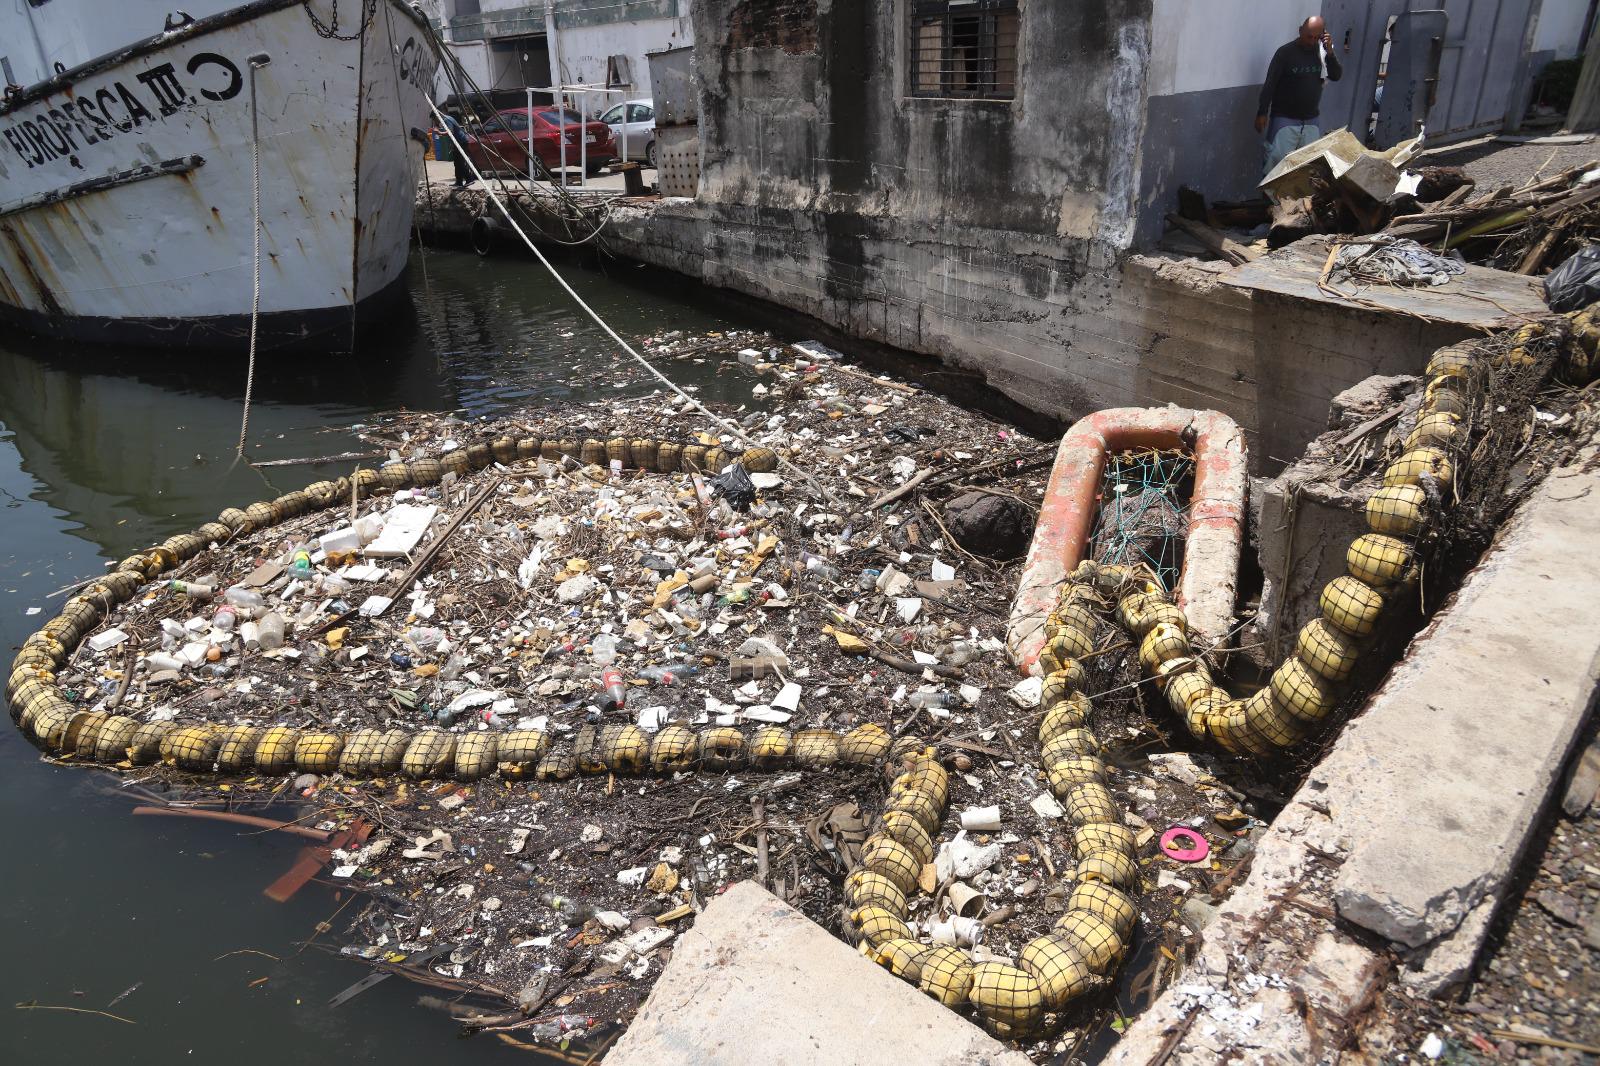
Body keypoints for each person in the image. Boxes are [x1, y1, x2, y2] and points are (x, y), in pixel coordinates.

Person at [1256, 16, 1343, 174]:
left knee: (1307, 169)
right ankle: (1270, 199)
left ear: (1323, 35)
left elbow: (1336, 76)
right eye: (1309, 36)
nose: (1312, 41)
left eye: (1316, 37)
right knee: (1275, 168)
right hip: (1284, 120)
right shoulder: (1285, 53)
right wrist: (1262, 112)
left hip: (1311, 121)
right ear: (1300, 30)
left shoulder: (1322, 53)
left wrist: (1330, 52)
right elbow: (1270, 83)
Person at [442, 111, 472, 189]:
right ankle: (459, 181)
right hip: (458, 142)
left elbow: (450, 132)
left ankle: (468, 179)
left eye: (434, 120)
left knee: (459, 162)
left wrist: (439, 133)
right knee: (457, 162)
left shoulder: (446, 120)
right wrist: (452, 144)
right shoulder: (448, 118)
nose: (435, 122)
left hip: (461, 142)